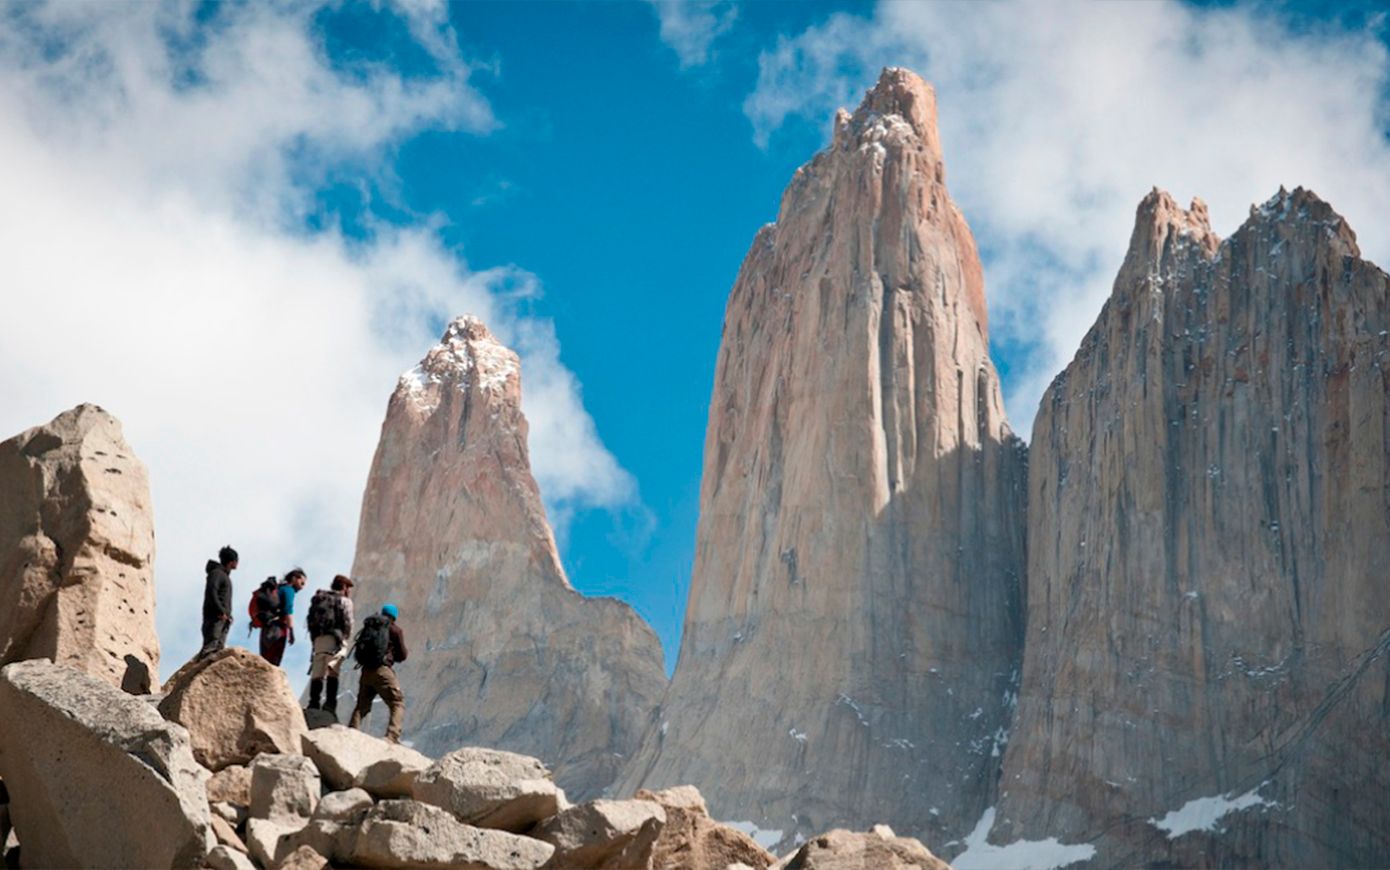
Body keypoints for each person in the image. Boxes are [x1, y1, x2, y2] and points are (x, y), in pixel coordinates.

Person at [348, 603, 409, 742]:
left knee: (362, 706)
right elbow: (403, 655)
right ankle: (392, 736)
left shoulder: (370, 626)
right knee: (397, 702)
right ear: (394, 617)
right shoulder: (395, 630)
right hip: (382, 671)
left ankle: (351, 731)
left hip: (366, 671)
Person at [306, 574, 355, 716]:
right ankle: (329, 706)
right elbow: (348, 621)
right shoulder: (345, 601)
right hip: (336, 639)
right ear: (344, 587)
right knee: (333, 671)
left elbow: (311, 621)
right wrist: (345, 638)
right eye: (348, 588)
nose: (349, 591)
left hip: (319, 640)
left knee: (317, 672)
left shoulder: (320, 599)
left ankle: (313, 704)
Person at [257, 568, 306, 667]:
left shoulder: (280, 588)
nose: (303, 587)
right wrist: (291, 632)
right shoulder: (289, 590)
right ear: (294, 578)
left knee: (265, 657)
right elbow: (288, 610)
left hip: (266, 626)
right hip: (277, 627)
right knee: (273, 659)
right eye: (302, 582)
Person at [198, 546, 238, 657]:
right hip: (215, 617)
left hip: (222, 618)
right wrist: (220, 611)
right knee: (211, 647)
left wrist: (228, 615)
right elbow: (211, 592)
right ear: (232, 561)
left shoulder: (224, 576)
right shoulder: (217, 573)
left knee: (218, 649)